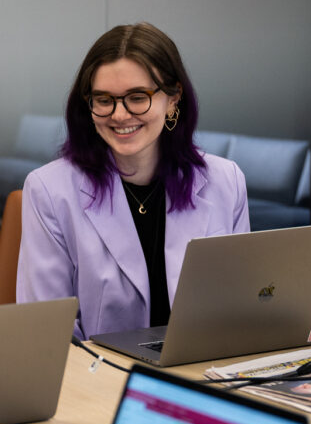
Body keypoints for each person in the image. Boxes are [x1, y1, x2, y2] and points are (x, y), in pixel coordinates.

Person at [17, 23, 249, 340]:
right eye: (104, 99)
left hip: (202, 373)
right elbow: (46, 331)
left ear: (173, 98)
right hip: (99, 379)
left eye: (137, 97)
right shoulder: (49, 190)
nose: (120, 115)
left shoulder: (226, 180)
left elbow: (241, 309)